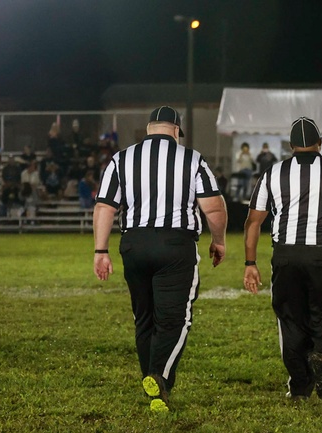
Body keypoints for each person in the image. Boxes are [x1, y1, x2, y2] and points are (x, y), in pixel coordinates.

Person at [92, 106, 227, 413]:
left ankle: (153, 388)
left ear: (149, 128)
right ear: (176, 131)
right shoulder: (191, 158)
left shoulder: (121, 158)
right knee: (176, 319)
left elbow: (104, 208)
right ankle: (160, 376)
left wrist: (101, 251)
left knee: (145, 319)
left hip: (134, 243)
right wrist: (218, 241)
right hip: (174, 244)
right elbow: (214, 209)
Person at [243, 117, 322, 403]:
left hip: (285, 255)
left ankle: (300, 388)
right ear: (320, 143)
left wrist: (250, 263)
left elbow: (253, 222)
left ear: (291, 147)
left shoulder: (273, 172)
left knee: (291, 320)